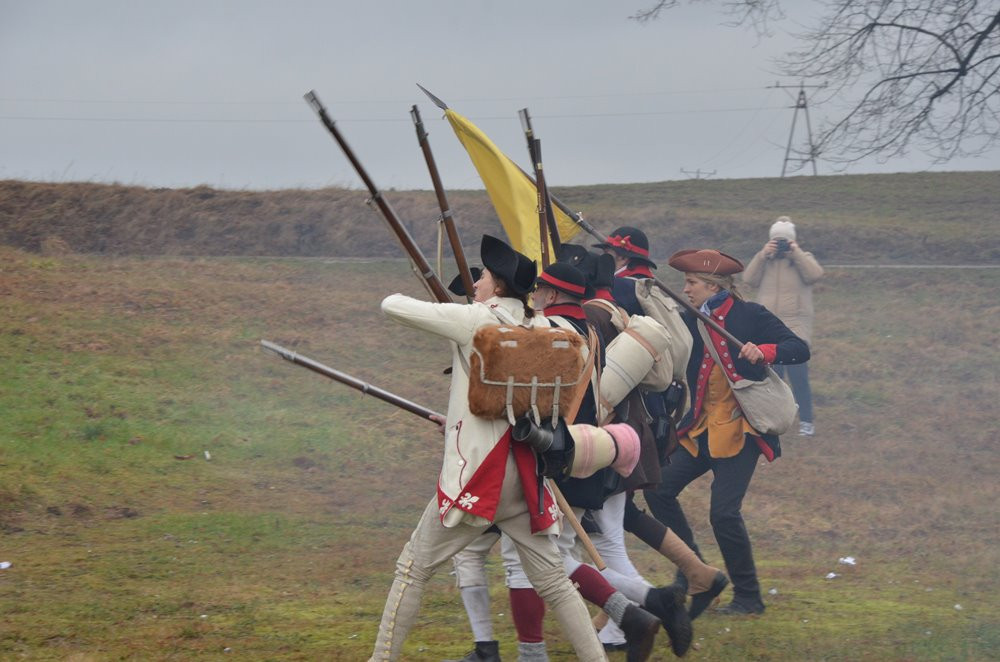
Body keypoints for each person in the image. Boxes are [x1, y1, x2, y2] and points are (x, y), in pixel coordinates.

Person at [369, 235, 607, 661]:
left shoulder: (476, 320)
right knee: (555, 582)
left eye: (482, 277)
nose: (475, 282)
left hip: (482, 475)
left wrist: (453, 311)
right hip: (526, 472)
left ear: (498, 285)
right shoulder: (545, 326)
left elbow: (391, 305)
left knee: (412, 569)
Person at [644, 249, 810, 616]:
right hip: (700, 429)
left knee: (723, 514)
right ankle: (695, 571)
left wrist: (764, 351)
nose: (686, 289)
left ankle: (749, 598)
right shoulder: (689, 320)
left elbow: (799, 349)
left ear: (714, 285)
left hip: (740, 431)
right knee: (658, 489)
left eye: (692, 283)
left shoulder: (750, 315)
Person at [742, 216, 824, 436]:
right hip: (768, 326)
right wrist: (762, 255)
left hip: (796, 326)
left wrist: (795, 252)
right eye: (776, 241)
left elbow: (815, 274)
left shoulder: (802, 259)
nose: (780, 245)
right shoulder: (765, 261)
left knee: (799, 376)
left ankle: (806, 422)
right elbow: (748, 279)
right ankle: (772, 420)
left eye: (784, 241)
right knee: (771, 377)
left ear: (793, 241)